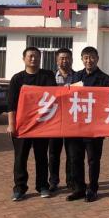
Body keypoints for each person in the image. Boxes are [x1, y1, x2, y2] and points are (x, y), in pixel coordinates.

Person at [7, 46, 57, 201]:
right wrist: (11, 124)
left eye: (36, 56)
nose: (34, 59)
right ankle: (19, 188)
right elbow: (11, 104)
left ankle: (42, 186)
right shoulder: (17, 79)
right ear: (24, 59)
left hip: (41, 125)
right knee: (20, 157)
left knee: (41, 156)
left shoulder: (47, 76)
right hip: (22, 125)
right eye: (30, 56)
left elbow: (56, 95)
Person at [66, 46, 109, 203]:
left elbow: (107, 102)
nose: (89, 60)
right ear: (81, 59)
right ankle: (79, 188)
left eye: (92, 57)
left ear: (97, 59)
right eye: (86, 57)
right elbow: (68, 97)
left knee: (93, 160)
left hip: (94, 126)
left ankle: (93, 188)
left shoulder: (105, 79)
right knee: (75, 158)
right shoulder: (76, 76)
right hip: (76, 125)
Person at [48, 48, 74, 192]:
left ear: (72, 60)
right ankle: (53, 181)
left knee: (71, 153)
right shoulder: (49, 77)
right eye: (62, 58)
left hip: (71, 120)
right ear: (57, 60)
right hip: (55, 120)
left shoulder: (78, 77)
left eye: (67, 58)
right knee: (53, 153)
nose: (65, 61)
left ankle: (70, 181)